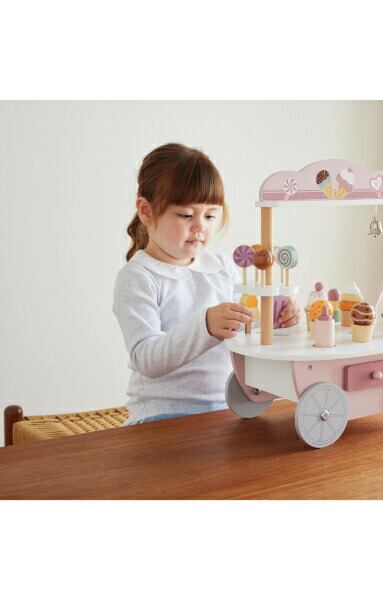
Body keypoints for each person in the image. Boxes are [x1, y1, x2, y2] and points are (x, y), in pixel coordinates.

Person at [113, 143, 300, 425]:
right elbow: (146, 359)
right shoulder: (138, 276)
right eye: (186, 215)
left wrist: (276, 320)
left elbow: (245, 333)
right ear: (145, 210)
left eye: (210, 215)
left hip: (230, 406)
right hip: (162, 415)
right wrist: (206, 327)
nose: (200, 226)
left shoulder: (221, 268)